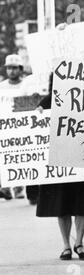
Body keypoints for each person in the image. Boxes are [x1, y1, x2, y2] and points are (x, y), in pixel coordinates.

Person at [36, 73, 84, 261]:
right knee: (61, 203)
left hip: (83, 156)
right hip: (60, 160)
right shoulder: (47, 102)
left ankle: (79, 243)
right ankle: (66, 245)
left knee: (83, 202)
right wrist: (38, 114)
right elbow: (37, 125)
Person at [0, 54, 26, 200]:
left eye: (15, 68)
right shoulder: (1, 87)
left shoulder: (26, 85)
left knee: (21, 155)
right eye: (9, 68)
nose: (12, 71)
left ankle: (19, 187)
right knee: (5, 156)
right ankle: (5, 187)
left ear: (20, 69)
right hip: (5, 126)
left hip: (22, 126)